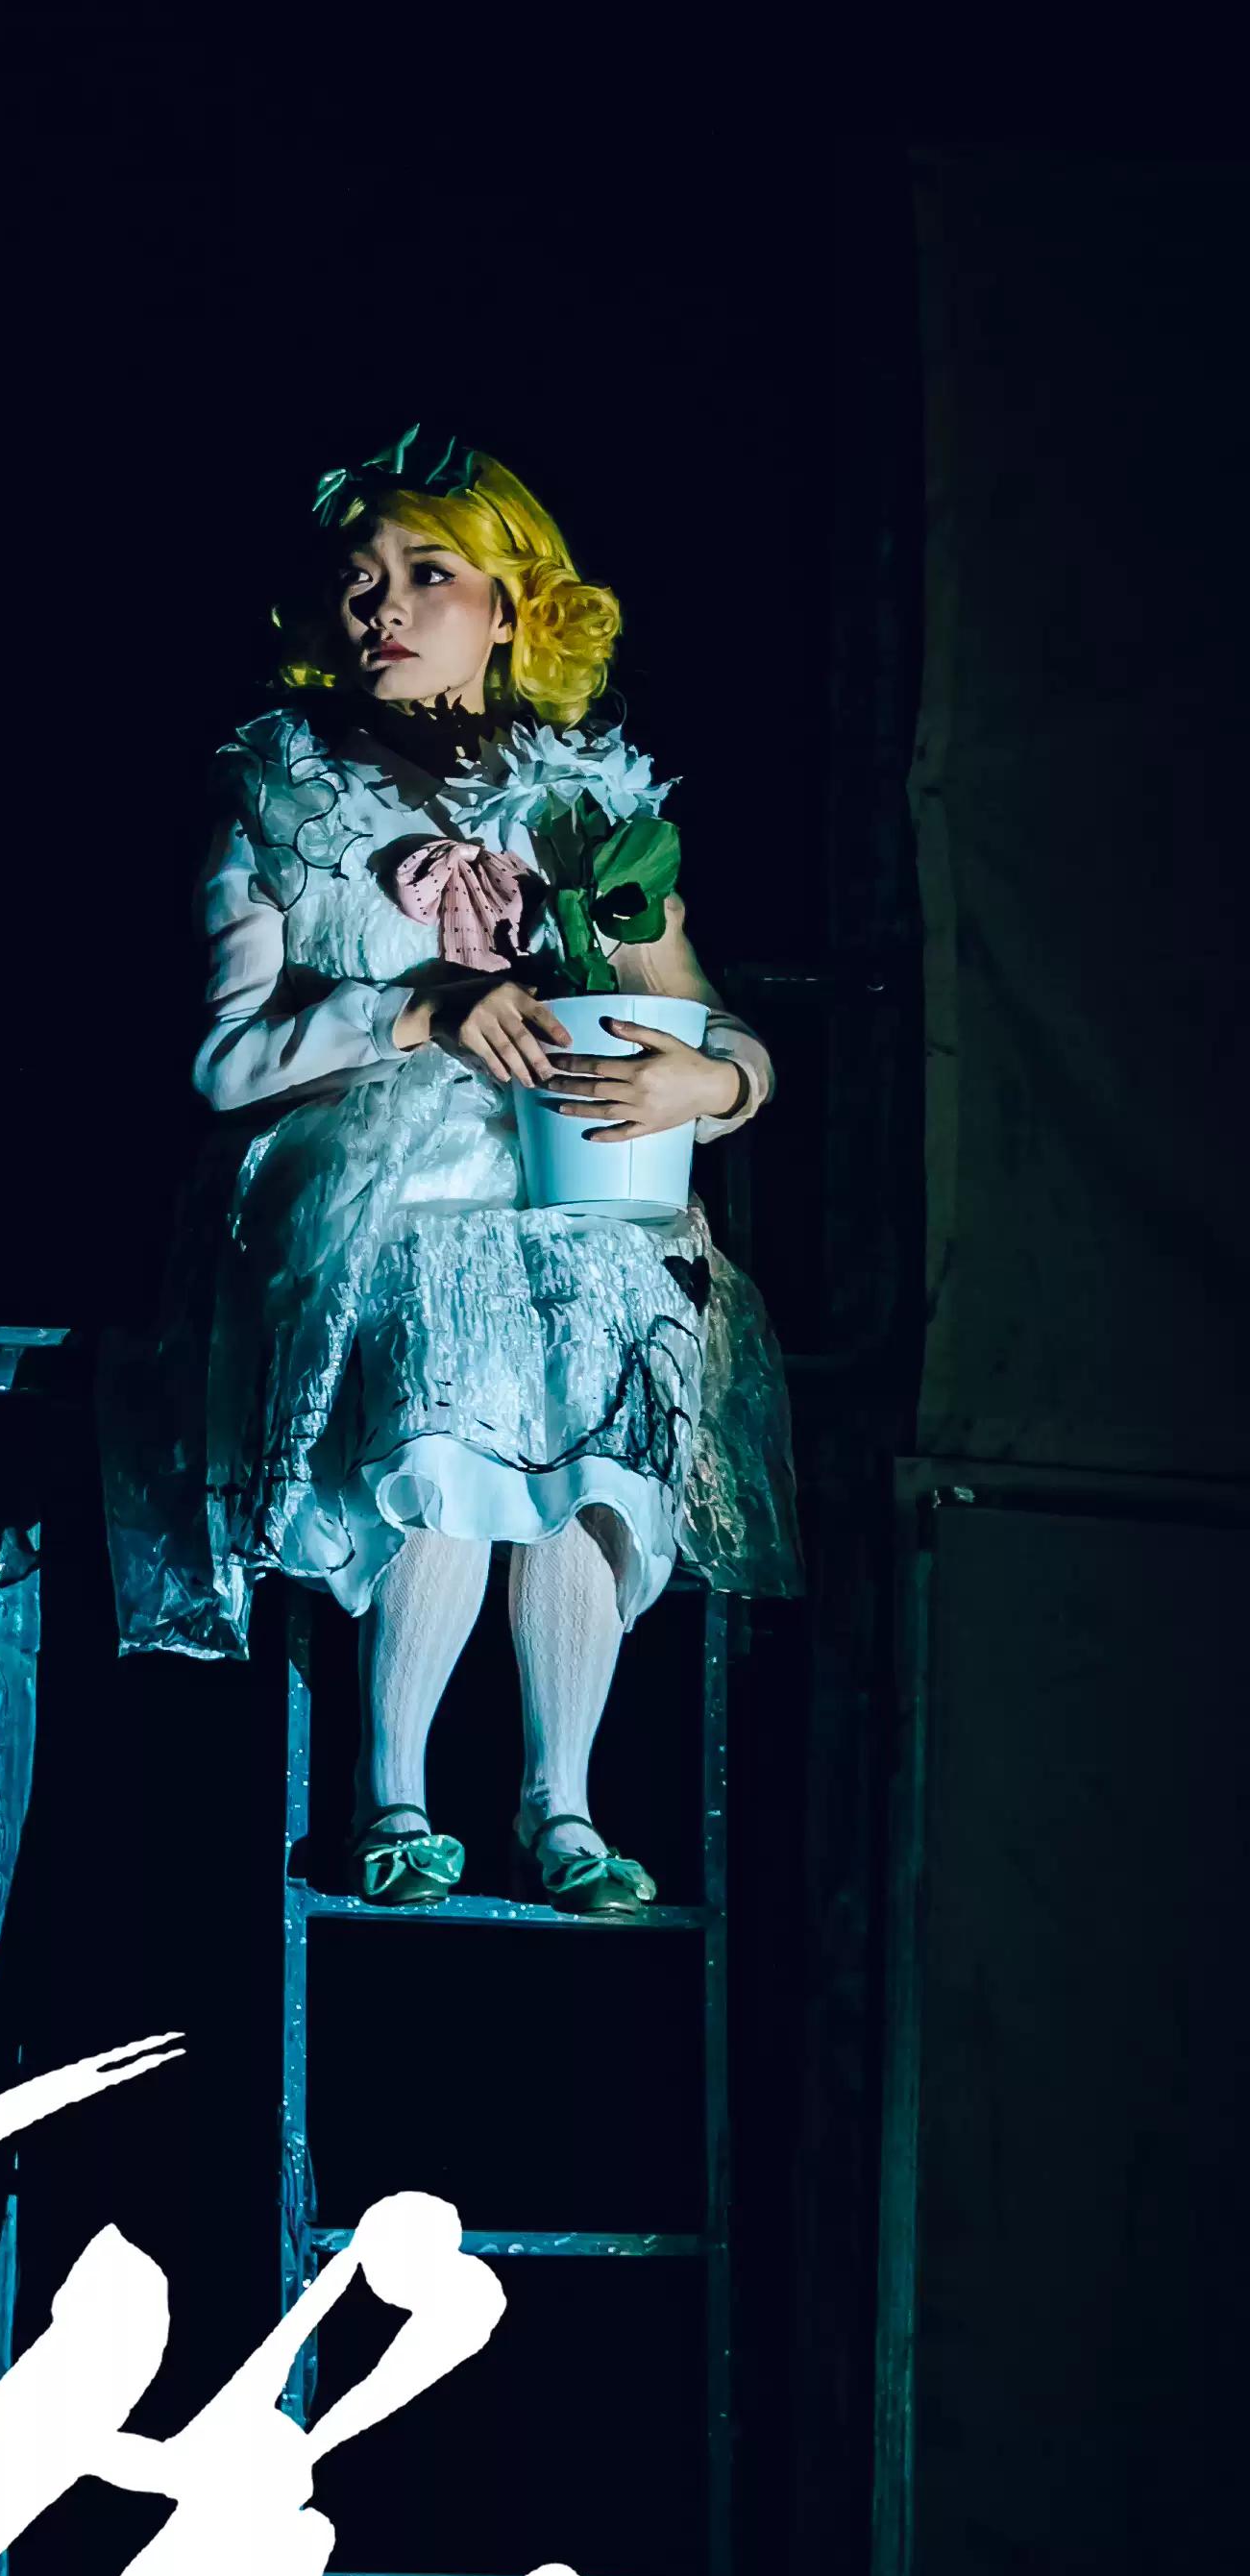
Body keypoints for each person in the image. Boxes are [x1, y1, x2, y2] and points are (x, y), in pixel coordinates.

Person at [101, 429, 799, 1912]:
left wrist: (711, 1080)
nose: (386, 607)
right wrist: (412, 1012)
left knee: (596, 1384)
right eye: (359, 580)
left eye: (430, 574)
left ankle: (565, 1807)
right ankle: (395, 1794)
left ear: (509, 605)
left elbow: (709, 1019)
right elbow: (223, 1059)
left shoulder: (588, 804)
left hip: (572, 1194)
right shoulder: (281, 792)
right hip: (375, 1198)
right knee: (456, 1370)